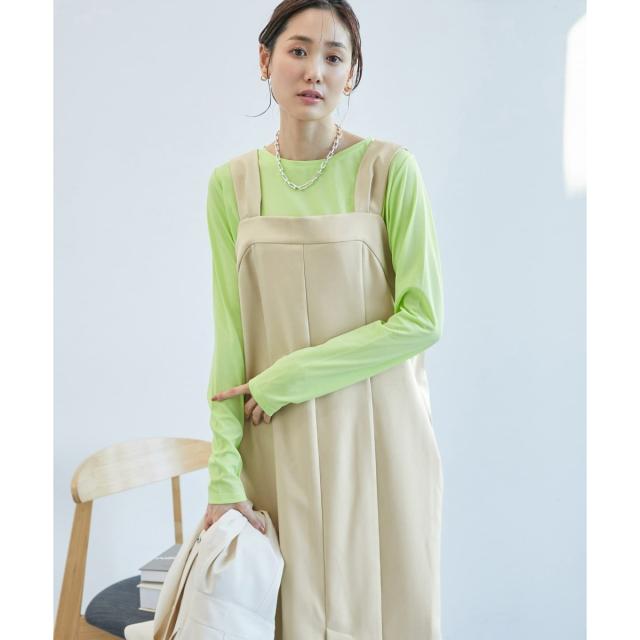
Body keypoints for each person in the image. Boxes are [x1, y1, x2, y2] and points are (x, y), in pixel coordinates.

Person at [202, 1, 445, 638]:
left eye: (334, 57)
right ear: (265, 60)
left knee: (383, 612)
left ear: (352, 74)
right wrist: (223, 476)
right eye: (298, 50)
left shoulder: (391, 171)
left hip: (379, 434)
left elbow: (422, 319)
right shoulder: (231, 185)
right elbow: (230, 337)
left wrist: (289, 377)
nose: (315, 70)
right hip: (272, 443)